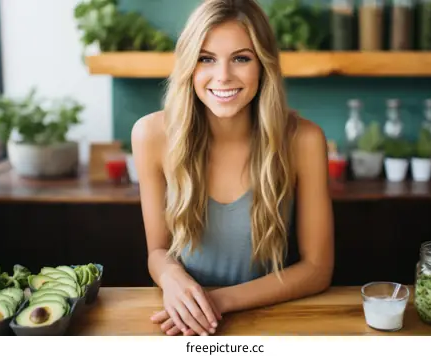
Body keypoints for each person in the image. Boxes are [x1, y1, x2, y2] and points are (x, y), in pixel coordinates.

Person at [131, 0, 334, 337]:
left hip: (271, 321)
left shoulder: (304, 140)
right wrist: (172, 278)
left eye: (241, 58)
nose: (222, 76)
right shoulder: (150, 135)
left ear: (263, 65)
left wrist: (216, 301)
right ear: (189, 66)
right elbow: (157, 251)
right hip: (182, 323)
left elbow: (317, 269)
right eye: (206, 59)